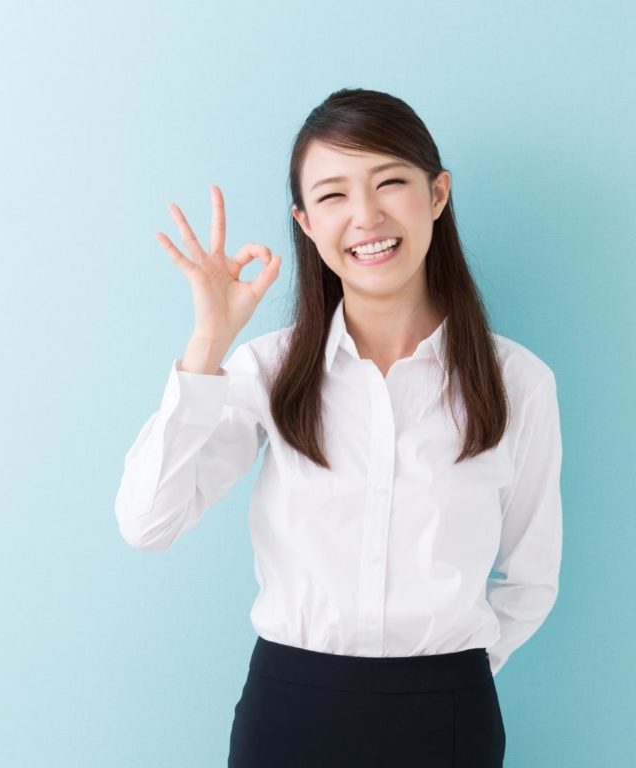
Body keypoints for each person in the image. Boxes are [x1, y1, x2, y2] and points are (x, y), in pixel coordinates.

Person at [114, 88, 563, 767]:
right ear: (305, 221)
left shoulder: (517, 382)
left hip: (449, 717)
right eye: (332, 196)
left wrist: (448, 676)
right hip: (290, 714)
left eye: (391, 183)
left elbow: (532, 578)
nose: (366, 217)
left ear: (438, 194)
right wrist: (207, 344)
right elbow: (147, 523)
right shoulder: (266, 369)